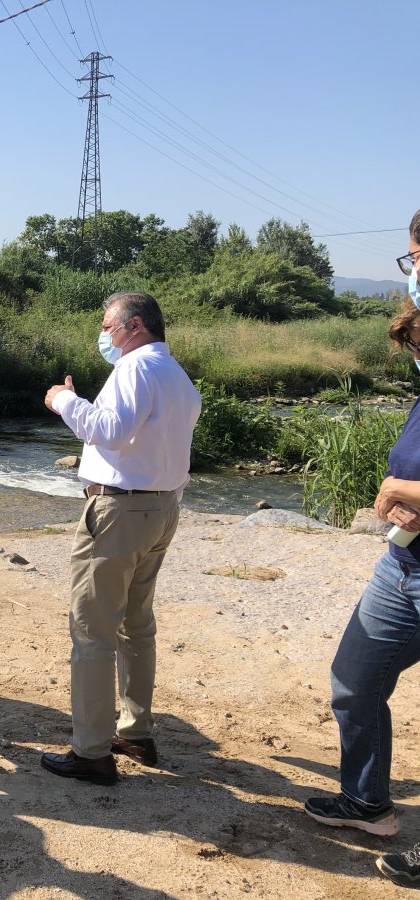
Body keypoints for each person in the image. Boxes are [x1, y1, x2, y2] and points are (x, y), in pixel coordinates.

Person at [39, 291, 201, 785]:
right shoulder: (176, 374)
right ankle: (135, 730)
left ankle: (90, 751)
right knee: (136, 624)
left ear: (133, 326)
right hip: (162, 507)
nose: (103, 335)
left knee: (92, 631)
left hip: (119, 510)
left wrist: (63, 400)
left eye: (108, 327)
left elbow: (109, 430)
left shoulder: (135, 369)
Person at [306, 213, 420, 852]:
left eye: (414, 257)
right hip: (402, 563)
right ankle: (368, 802)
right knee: (355, 679)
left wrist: (399, 492)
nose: (411, 272)